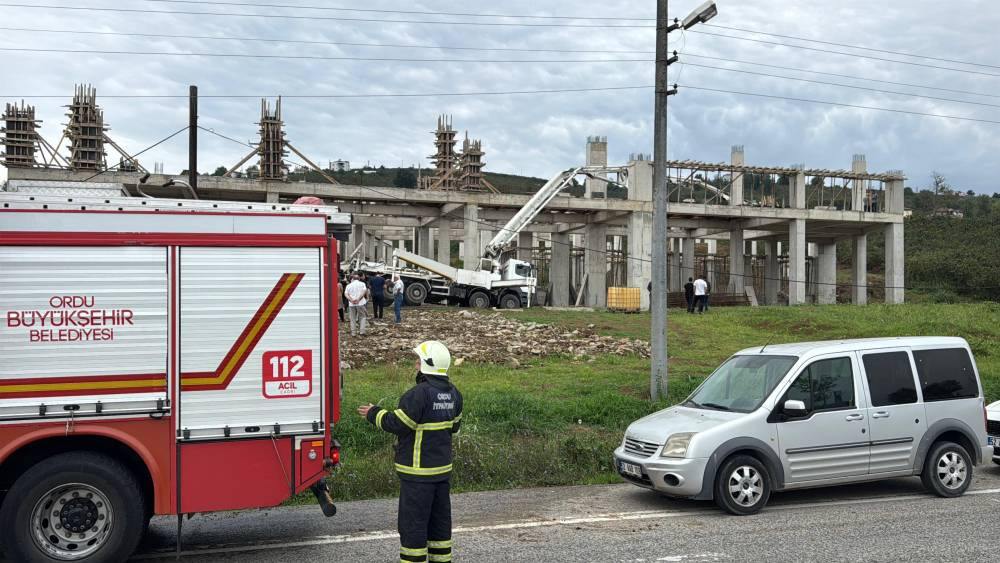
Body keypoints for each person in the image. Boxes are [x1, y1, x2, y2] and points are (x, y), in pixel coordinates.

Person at [358, 341, 463, 563]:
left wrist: (373, 413)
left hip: (417, 475)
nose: (415, 364)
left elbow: (398, 424)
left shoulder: (418, 394)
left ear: (427, 365)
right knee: (439, 526)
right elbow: (454, 427)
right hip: (442, 473)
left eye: (418, 361)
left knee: (413, 526)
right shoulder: (455, 394)